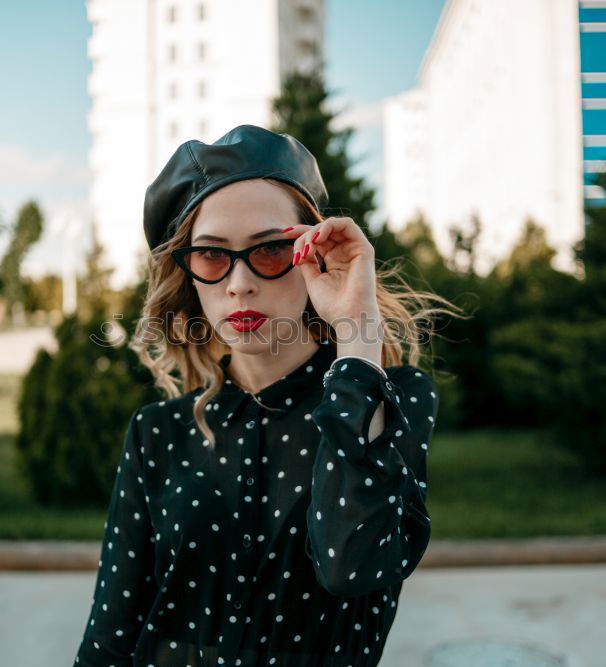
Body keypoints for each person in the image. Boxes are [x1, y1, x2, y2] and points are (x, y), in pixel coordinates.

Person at [73, 124, 456, 666]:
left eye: (271, 249)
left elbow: (352, 566)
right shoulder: (157, 432)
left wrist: (358, 333)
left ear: (313, 251)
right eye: (211, 255)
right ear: (189, 275)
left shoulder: (393, 398)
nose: (239, 283)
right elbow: (109, 637)